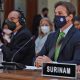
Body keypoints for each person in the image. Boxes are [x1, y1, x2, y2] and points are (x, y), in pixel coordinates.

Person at [35, 1, 80, 67]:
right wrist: (37, 61)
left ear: (70, 17)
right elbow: (39, 56)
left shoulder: (77, 36)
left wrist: (52, 63)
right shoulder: (51, 36)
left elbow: (77, 61)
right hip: (47, 75)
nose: (56, 16)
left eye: (60, 13)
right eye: (55, 13)